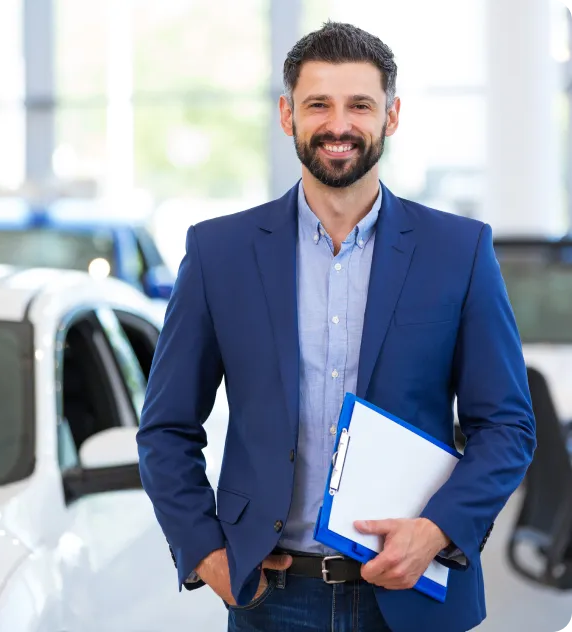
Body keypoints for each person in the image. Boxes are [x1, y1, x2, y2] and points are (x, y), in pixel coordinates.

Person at [136, 21, 536, 632]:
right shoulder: (220, 253)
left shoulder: (459, 251)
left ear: (391, 116)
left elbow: (507, 425)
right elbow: (165, 427)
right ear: (286, 114)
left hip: (414, 595)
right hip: (272, 597)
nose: (339, 125)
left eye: (360, 105)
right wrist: (204, 553)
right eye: (318, 103)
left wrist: (437, 531)